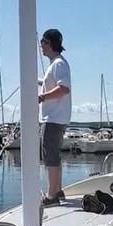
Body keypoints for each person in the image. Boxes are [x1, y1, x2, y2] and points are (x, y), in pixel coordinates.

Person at [38, 29, 72, 205]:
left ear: (49, 43)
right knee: (53, 155)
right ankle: (57, 190)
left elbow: (63, 88)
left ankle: (51, 196)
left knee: (50, 155)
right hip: (56, 118)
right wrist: (39, 83)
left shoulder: (58, 64)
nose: (40, 46)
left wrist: (41, 97)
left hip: (53, 118)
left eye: (43, 42)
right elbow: (54, 83)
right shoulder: (56, 64)